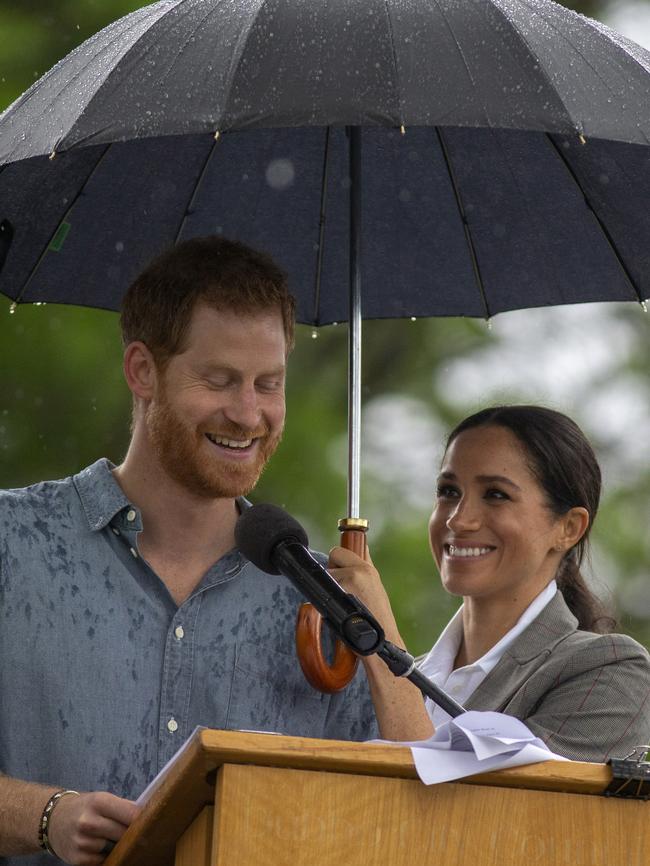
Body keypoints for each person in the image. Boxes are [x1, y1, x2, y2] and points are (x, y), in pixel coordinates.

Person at [0, 236, 376, 866]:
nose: (249, 413)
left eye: (268, 383)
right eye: (220, 380)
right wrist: (44, 816)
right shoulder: (12, 543)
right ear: (142, 370)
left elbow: (375, 822)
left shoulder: (329, 602)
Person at [329, 405, 650, 760]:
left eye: (496, 494)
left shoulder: (610, 672)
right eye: (448, 491)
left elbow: (466, 809)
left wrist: (380, 643)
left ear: (568, 527)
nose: (459, 519)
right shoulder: (409, 676)